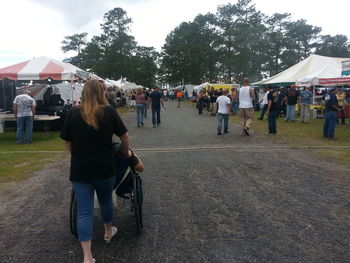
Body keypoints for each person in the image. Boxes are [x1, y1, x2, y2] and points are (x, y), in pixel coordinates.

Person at [60, 80, 130, 263]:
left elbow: (67, 141)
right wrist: (125, 151)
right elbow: (124, 136)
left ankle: (87, 256)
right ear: (102, 93)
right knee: (106, 200)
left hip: (80, 168)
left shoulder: (74, 112)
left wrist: (76, 154)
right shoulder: (108, 112)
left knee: (84, 211)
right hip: (104, 167)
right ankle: (108, 231)